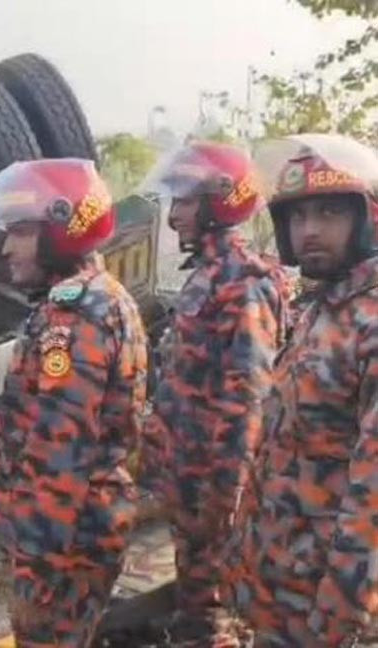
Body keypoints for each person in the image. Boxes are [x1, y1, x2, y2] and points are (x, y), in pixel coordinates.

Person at [0, 158, 148, 646]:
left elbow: (60, 457)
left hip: (64, 547)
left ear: (64, 230)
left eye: (21, 232)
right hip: (70, 539)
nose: (6, 247)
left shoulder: (75, 317)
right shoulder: (88, 300)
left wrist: (36, 572)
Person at [226, 134, 378, 646]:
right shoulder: (323, 309)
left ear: (366, 218)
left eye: (329, 213)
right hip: (283, 585)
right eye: (298, 216)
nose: (309, 230)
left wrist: (337, 618)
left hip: (327, 608)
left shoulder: (370, 322)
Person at [139, 141, 288, 646]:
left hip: (215, 485)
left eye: (185, 200)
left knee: (213, 610)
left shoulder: (241, 281)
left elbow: (249, 396)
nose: (175, 213)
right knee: (196, 599)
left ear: (221, 201)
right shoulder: (208, 275)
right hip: (191, 478)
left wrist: (227, 497)